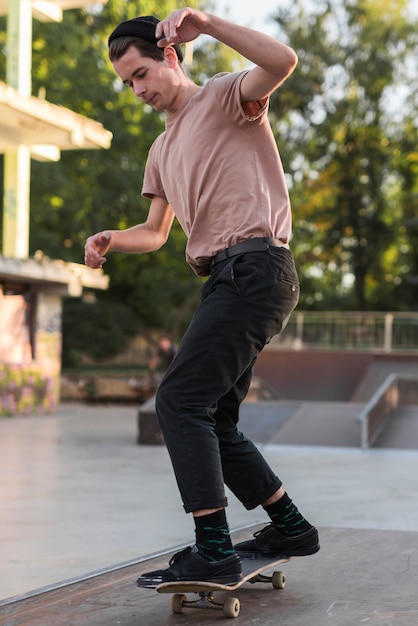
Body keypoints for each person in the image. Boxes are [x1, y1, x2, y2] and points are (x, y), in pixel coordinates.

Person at [84, 7, 320, 587]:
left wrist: (209, 24)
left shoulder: (223, 97)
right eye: (126, 83)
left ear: (168, 56)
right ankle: (290, 524)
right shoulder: (161, 153)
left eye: (140, 74)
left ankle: (212, 549)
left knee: (178, 402)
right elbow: (157, 233)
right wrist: (113, 239)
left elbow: (283, 62)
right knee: (213, 417)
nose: (136, 90)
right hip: (226, 277)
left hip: (257, 266)